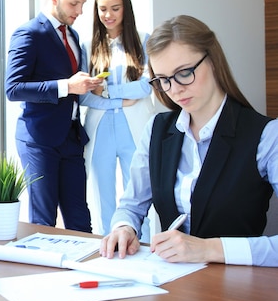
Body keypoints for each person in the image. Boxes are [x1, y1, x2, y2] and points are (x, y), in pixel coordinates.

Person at [100, 14, 278, 267]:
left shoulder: (266, 135)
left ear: (213, 61)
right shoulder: (157, 130)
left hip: (237, 289)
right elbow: (132, 204)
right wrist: (124, 227)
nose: (174, 89)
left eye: (184, 73)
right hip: (172, 284)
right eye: (163, 80)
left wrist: (209, 249)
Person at [5, 0, 103, 232]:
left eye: (82, 4)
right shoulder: (28, 33)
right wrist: (67, 86)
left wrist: (87, 86)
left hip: (71, 138)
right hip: (39, 140)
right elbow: (13, 88)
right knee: (43, 220)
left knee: (80, 219)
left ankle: (87, 273)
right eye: (74, 3)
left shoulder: (74, 36)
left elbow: (71, 88)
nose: (79, 10)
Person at [80, 0, 155, 235]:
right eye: (102, 9)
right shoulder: (88, 47)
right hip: (99, 127)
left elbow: (145, 87)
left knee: (138, 190)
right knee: (103, 193)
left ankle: (141, 243)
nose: (108, 15)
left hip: (133, 125)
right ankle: (107, 244)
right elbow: (85, 97)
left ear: (126, 9)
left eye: (115, 8)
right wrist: (121, 99)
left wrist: (109, 91)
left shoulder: (143, 41)